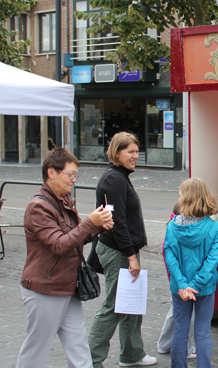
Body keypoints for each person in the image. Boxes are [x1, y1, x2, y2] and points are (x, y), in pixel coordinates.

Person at [17, 148, 114, 368]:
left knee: (79, 347)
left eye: (75, 175)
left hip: (68, 285)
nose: (73, 180)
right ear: (52, 172)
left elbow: (74, 239)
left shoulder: (64, 200)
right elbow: (59, 245)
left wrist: (97, 228)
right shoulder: (38, 207)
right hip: (45, 288)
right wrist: (90, 223)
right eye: (70, 175)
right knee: (36, 349)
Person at [88, 132, 157, 367]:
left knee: (131, 303)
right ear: (117, 152)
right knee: (114, 305)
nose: (135, 156)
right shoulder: (113, 179)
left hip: (125, 250)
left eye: (137, 151)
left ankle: (132, 354)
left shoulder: (120, 176)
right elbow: (116, 221)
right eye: (130, 151)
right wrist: (131, 256)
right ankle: (90, 359)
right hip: (118, 251)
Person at [164, 178, 218, 368]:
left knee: (180, 331)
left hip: (180, 290)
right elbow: (212, 263)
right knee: (202, 332)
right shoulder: (215, 228)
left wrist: (183, 285)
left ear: (187, 199)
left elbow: (169, 255)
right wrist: (195, 285)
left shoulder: (173, 226)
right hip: (204, 289)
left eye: (180, 194)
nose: (179, 197)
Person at [157, 203, 197, 359]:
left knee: (175, 313)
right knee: (185, 315)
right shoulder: (180, 230)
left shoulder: (172, 228)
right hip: (182, 280)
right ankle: (184, 348)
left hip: (176, 279)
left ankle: (164, 343)